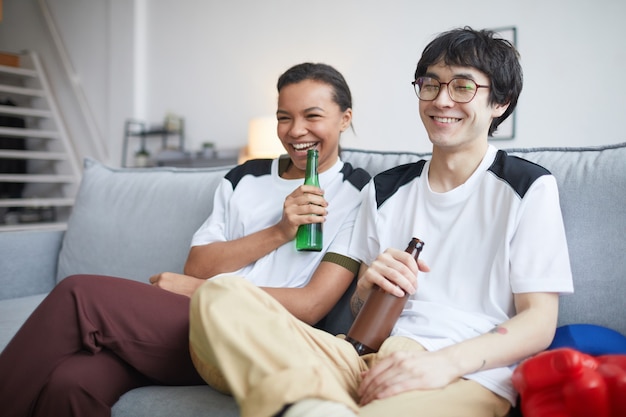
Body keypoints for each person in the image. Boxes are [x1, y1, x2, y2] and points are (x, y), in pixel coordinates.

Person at [188, 27, 574, 417]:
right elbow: (359, 308)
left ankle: (311, 404)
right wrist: (366, 286)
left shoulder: (528, 187)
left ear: (500, 102)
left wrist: (443, 364)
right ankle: (318, 405)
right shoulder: (384, 189)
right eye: (430, 84)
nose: (441, 100)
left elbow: (539, 321)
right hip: (357, 358)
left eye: (461, 87)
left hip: (463, 373)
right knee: (219, 296)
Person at [0, 62, 371, 417]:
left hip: (256, 338)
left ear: (345, 119)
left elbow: (311, 306)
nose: (295, 131)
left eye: (313, 116)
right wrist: (279, 232)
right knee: (72, 382)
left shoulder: (358, 195)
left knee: (78, 294)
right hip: (194, 325)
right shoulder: (245, 178)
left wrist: (194, 289)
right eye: (284, 117)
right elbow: (199, 264)